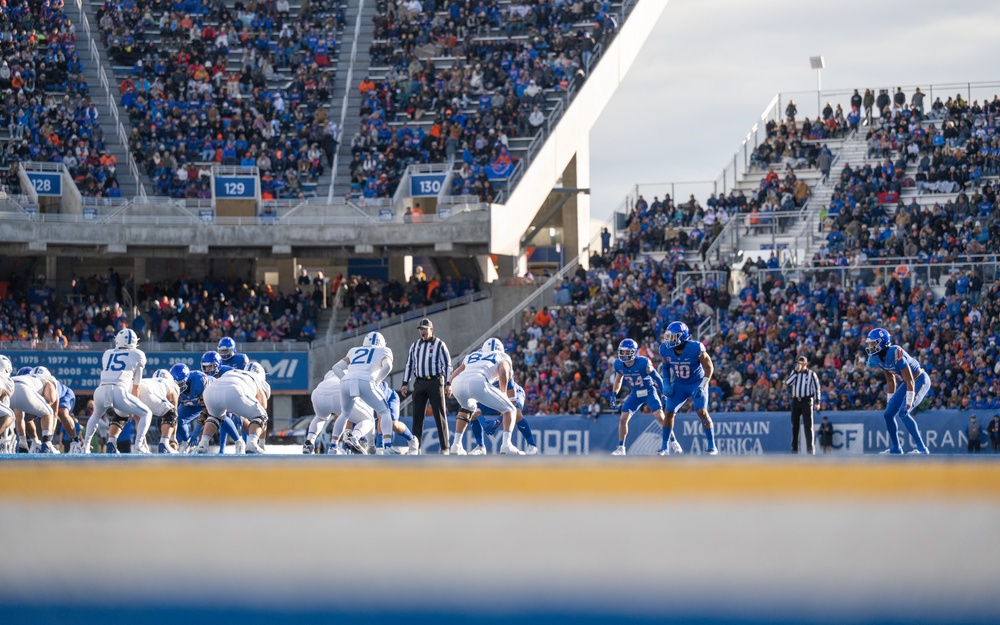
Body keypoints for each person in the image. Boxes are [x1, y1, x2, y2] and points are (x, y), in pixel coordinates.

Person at [447, 338, 522, 455]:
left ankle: (456, 446)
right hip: (479, 382)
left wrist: (449, 386)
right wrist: (503, 394)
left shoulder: (472, 355)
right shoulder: (502, 356)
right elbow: (503, 372)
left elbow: (454, 375)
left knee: (467, 409)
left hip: (457, 384)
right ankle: (506, 445)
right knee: (510, 409)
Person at [864, 328, 930, 454]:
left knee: (903, 412)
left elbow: (910, 379)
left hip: (919, 380)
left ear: (882, 342)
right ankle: (896, 448)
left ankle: (922, 448)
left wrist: (909, 402)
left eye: (873, 343)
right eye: (870, 344)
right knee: (888, 414)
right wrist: (891, 401)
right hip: (907, 383)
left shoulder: (895, 351)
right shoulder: (877, 357)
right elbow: (890, 380)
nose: (870, 347)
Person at [86, 328, 152, 454]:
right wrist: (132, 407)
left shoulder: (107, 353)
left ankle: (86, 445)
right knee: (146, 413)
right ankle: (139, 444)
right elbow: (136, 386)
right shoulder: (138, 354)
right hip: (119, 391)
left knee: (95, 416)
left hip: (100, 390)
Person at [659, 322, 718, 456]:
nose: (669, 340)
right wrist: (666, 382)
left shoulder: (695, 348)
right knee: (668, 412)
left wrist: (702, 385)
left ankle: (712, 446)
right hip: (679, 383)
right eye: (668, 337)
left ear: (682, 337)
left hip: (696, 382)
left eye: (673, 337)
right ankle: (664, 447)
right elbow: (665, 367)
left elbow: (709, 367)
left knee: (701, 411)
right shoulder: (665, 349)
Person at [331, 331, 395, 454]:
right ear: (382, 342)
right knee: (384, 411)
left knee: (344, 413)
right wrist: (376, 381)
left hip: (347, 381)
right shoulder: (384, 350)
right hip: (366, 380)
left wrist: (345, 379)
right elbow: (388, 366)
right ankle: (387, 446)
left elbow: (336, 367)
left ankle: (333, 446)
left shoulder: (354, 350)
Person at [400, 318, 451, 453]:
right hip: (420, 382)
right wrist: (405, 383)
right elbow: (409, 365)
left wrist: (448, 383)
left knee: (439, 415)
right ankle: (416, 447)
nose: (422, 331)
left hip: (435, 382)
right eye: (420, 329)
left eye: (425, 329)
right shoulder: (415, 345)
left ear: (431, 329)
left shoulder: (439, 344)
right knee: (417, 416)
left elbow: (447, 365)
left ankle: (445, 447)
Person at [610, 338, 669, 456]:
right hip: (635, 393)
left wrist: (663, 394)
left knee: (660, 416)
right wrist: (614, 394)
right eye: (623, 351)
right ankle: (621, 447)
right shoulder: (618, 364)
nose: (624, 354)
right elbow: (618, 380)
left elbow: (657, 378)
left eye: (627, 352)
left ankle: (672, 442)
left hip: (648, 391)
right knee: (623, 418)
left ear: (634, 352)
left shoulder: (643, 362)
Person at [197, 363, 270, 454]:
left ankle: (203, 444)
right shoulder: (258, 380)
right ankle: (252, 443)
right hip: (234, 390)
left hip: (210, 391)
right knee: (262, 416)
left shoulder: (234, 372)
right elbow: (263, 411)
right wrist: (262, 443)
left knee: (215, 417)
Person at [467, 378, 537, 455]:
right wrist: (481, 419)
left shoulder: (503, 370)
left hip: (512, 392)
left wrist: (498, 420)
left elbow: (511, 406)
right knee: (472, 413)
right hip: (493, 396)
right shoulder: (476, 379)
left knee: (516, 413)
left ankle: (531, 445)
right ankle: (480, 446)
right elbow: (473, 407)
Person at [10, 366, 58, 453]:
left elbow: (19, 417)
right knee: (48, 412)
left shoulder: (28, 377)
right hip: (24, 388)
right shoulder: (47, 379)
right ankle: (47, 444)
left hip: (10, 385)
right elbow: (50, 399)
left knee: (6, 416)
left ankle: (22, 444)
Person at [137, 369, 182, 454]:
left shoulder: (151, 380)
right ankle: (164, 443)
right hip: (151, 394)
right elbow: (174, 413)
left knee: (139, 415)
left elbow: (137, 418)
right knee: (171, 413)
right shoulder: (171, 384)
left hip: (138, 388)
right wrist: (173, 438)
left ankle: (113, 440)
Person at [785, 355, 821, 454]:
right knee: (795, 426)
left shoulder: (811, 374)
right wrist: (796, 372)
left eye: (801, 364)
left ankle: (810, 449)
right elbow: (788, 383)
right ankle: (794, 448)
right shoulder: (794, 373)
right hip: (796, 401)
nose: (799, 365)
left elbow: (816, 388)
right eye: (798, 363)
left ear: (806, 364)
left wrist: (817, 402)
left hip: (806, 401)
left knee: (808, 426)